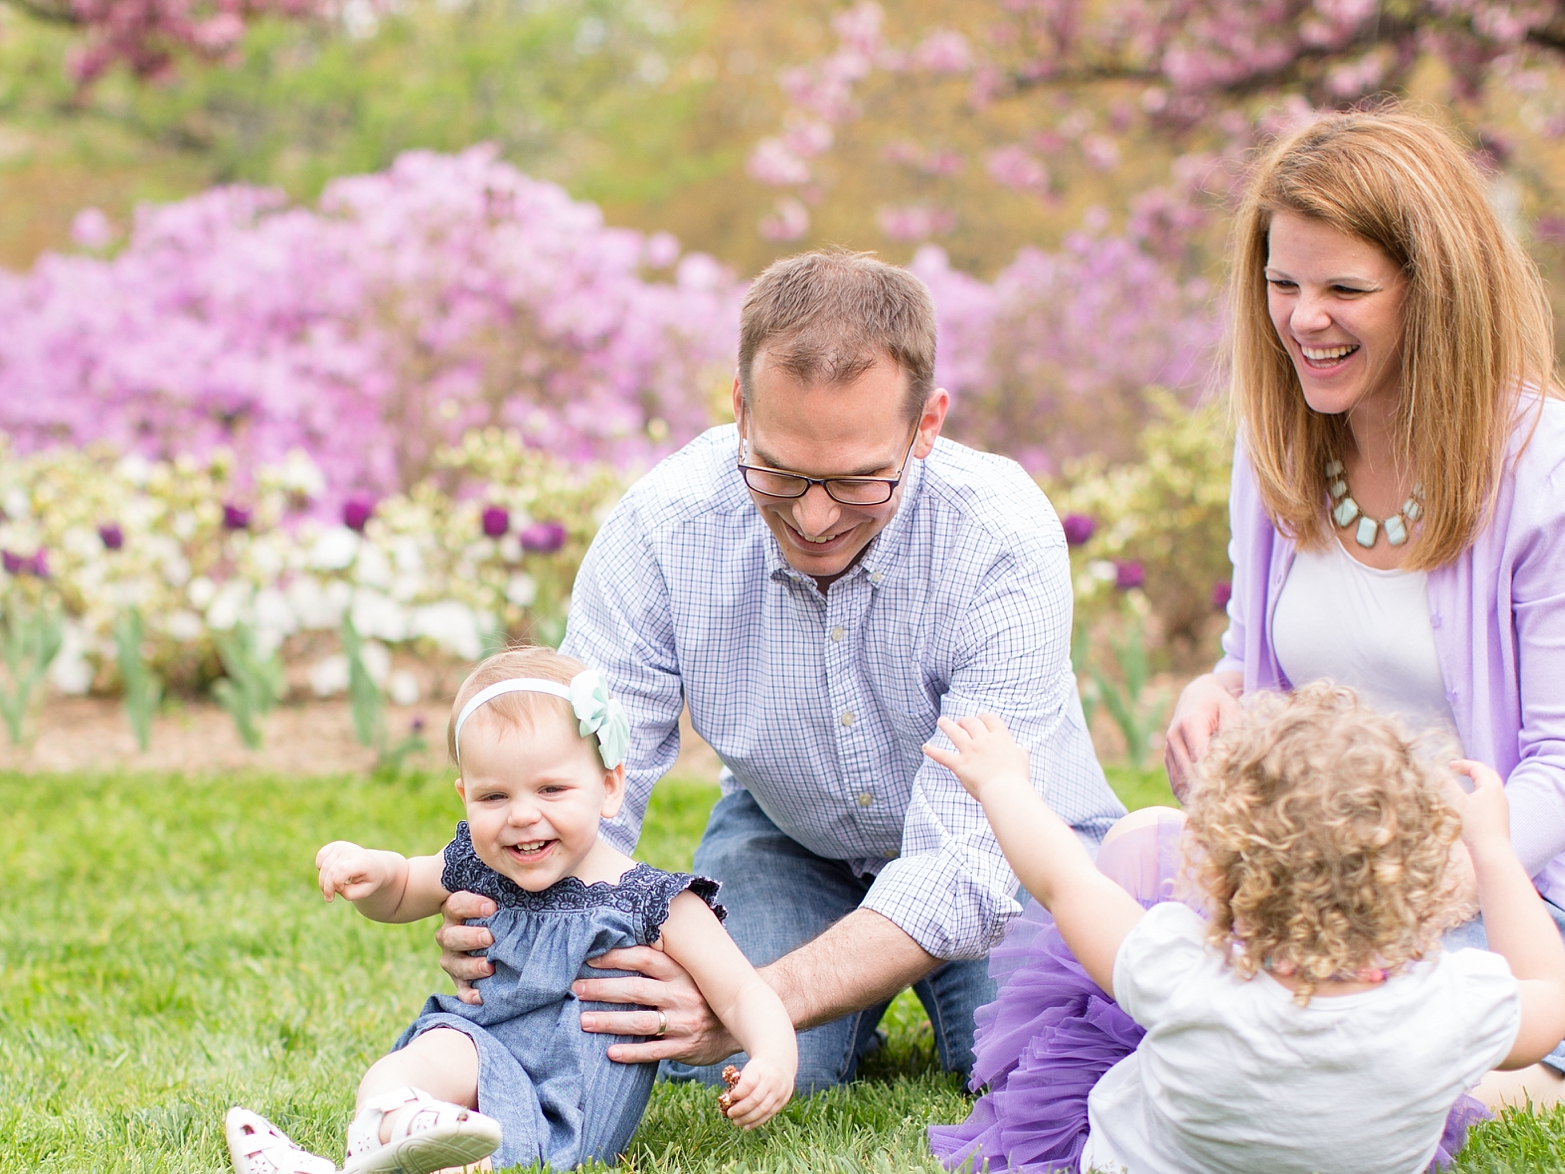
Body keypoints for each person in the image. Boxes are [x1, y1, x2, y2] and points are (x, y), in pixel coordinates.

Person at [435, 250, 1125, 1095]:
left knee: (1039, 1068)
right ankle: (840, 1009)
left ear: (927, 426)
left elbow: (965, 872)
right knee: (718, 1060)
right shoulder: (664, 525)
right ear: (739, 407)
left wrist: (751, 996)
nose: (815, 515)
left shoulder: (1001, 538)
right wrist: (522, 903)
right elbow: (584, 771)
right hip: (793, 837)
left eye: (858, 480)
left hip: (1018, 853)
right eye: (782, 471)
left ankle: (879, 999)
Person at [1162, 109, 1565, 1110]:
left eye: (1343, 289)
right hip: (1317, 877)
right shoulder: (1277, 442)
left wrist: (1434, 871)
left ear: (1431, 291)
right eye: (1282, 284)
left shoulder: (1550, 467)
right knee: (1155, 1010)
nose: (1301, 319)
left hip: (1508, 891)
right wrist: (1216, 689)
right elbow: (1260, 662)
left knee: (1349, 1087)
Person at [925, 686, 1565, 1174]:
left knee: (1106, 943)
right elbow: (1549, 991)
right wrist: (1492, 849)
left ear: (1224, 860)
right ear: (1419, 868)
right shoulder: (1450, 1004)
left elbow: (1062, 880)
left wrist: (1003, 782)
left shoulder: (1182, 972)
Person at [223, 647, 796, 1174]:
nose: (521, 814)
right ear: (465, 797)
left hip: (569, 1101)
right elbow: (402, 891)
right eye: (494, 796)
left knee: (467, 1169)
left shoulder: (651, 903)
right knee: (409, 1062)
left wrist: (772, 1058)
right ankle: (388, 1119)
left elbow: (743, 991)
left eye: (551, 789)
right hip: (483, 1050)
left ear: (610, 786)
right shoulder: (479, 866)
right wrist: (374, 875)